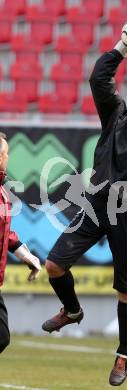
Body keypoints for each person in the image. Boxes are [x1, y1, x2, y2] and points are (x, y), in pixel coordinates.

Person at [42, 21, 127, 386]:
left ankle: (123, 355)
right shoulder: (115, 116)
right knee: (54, 265)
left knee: (126, 289)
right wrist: (122, 46)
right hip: (96, 202)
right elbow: (99, 79)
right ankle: (72, 311)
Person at [0, 132, 41, 354]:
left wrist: (27, 256)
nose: (8, 157)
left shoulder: (2, 193)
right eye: (6, 153)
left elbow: (5, 233)